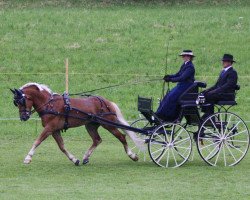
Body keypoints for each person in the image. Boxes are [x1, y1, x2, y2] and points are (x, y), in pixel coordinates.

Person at [155, 50, 196, 122]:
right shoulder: (184, 65)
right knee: (167, 95)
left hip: (186, 87)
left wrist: (171, 80)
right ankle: (159, 114)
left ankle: (168, 116)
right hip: (181, 85)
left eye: (185, 56)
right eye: (183, 56)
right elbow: (178, 74)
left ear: (189, 57)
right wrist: (169, 76)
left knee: (171, 97)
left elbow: (182, 78)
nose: (183, 57)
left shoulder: (190, 67)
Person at [202, 54, 238, 118]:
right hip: (221, 93)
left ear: (230, 62)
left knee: (209, 95)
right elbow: (216, 85)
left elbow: (228, 86)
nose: (223, 62)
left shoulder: (232, 72)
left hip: (227, 95)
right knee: (204, 94)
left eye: (225, 61)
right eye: (223, 61)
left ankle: (210, 117)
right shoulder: (223, 72)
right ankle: (207, 114)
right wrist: (207, 90)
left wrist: (214, 92)